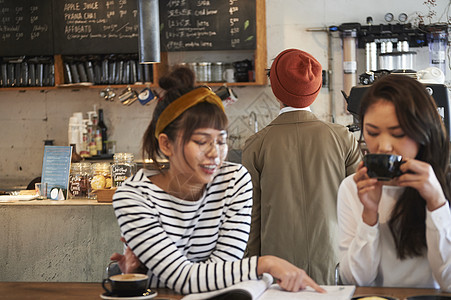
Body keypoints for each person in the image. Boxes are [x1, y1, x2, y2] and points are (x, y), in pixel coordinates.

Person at [109, 66, 324, 294]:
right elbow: (184, 279)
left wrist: (168, 273)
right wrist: (266, 264)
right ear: (166, 144)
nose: (215, 153)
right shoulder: (133, 197)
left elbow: (222, 265)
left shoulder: (234, 181)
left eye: (221, 141)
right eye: (202, 142)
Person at [242, 49, 362, 285]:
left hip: (276, 268)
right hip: (333, 260)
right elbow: (359, 204)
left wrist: (251, 267)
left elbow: (251, 216)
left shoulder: (256, 144)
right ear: (315, 90)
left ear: (275, 89)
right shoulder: (343, 138)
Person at [337, 74, 451, 290]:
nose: (384, 146)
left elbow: (449, 281)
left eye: (397, 133)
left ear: (424, 132)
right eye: (372, 132)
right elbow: (355, 282)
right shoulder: (353, 188)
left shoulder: (443, 185)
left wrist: (436, 202)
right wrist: (368, 214)